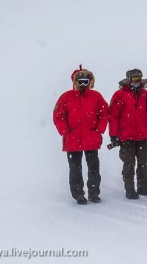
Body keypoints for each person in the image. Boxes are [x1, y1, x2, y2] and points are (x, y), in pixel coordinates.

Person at [53, 66, 108, 205]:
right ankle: (78, 194)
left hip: (91, 138)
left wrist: (99, 130)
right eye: (81, 81)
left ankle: (94, 192)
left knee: (94, 167)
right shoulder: (66, 97)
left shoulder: (96, 96)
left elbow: (104, 113)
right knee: (75, 168)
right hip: (72, 139)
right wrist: (65, 131)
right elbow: (58, 115)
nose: (84, 84)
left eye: (86, 81)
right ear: (76, 81)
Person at [109, 69, 147, 199]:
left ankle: (142, 187)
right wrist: (113, 134)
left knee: (143, 162)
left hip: (142, 136)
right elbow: (113, 116)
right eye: (134, 80)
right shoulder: (119, 94)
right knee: (129, 164)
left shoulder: (146, 94)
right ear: (129, 80)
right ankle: (129, 189)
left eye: (138, 80)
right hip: (126, 136)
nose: (136, 82)